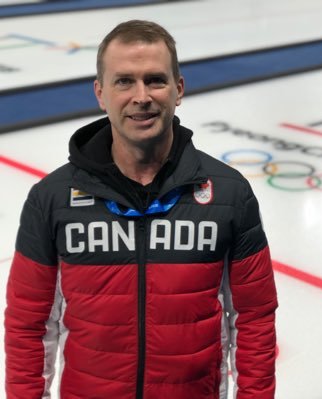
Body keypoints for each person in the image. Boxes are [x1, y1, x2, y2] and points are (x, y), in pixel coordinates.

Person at [4, 20, 278, 399]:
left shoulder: (228, 195)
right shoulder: (53, 198)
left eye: (155, 80)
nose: (141, 96)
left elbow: (254, 319)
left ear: (178, 89)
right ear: (100, 93)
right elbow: (28, 324)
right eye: (124, 81)